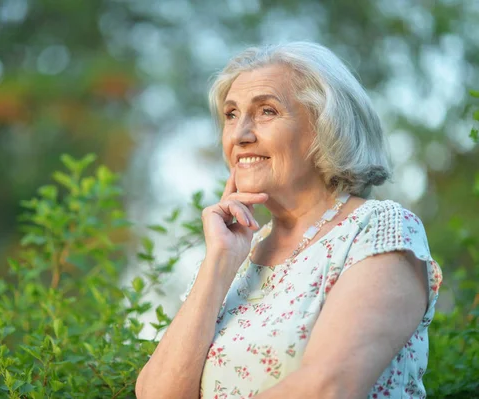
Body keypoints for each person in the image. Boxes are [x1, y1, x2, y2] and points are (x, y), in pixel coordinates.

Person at [135, 42, 442, 399]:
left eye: (266, 111)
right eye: (231, 115)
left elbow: (327, 387)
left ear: (326, 127)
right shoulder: (231, 260)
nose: (240, 135)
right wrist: (220, 260)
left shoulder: (378, 228)